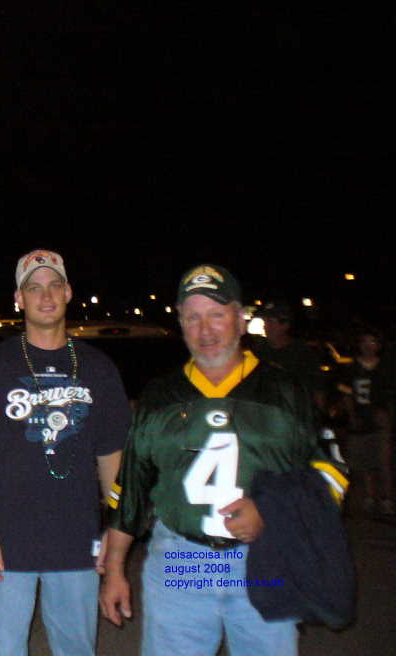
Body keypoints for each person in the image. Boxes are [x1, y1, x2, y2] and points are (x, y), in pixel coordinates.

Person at [99, 264, 349, 656]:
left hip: (263, 560)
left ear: (240, 318)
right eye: (193, 317)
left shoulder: (284, 390)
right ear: (181, 324)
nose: (205, 329)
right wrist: (114, 568)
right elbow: (132, 486)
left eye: (216, 314)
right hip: (181, 560)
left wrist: (271, 512)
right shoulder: (161, 395)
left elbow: (331, 471)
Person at [0, 249, 131, 656]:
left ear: (68, 291)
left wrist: (115, 532)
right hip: (7, 541)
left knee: (77, 649)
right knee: (3, 649)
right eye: (34, 288)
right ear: (19, 299)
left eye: (54, 285)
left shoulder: (99, 368)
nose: (46, 295)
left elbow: (112, 459)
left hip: (77, 541)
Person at [338, 328, 394, 514]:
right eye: (364, 341)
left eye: (372, 342)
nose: (368, 346)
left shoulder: (386, 367)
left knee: (383, 461)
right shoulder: (352, 367)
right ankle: (370, 497)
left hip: (381, 421)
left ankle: (386, 498)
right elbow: (346, 393)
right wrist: (352, 415)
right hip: (361, 420)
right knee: (364, 461)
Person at [252, 300, 325, 409]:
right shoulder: (257, 351)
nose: (266, 327)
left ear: (285, 325)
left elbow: (317, 389)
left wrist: (318, 416)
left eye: (271, 322)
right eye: (265, 322)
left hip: (293, 414)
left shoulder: (302, 353)